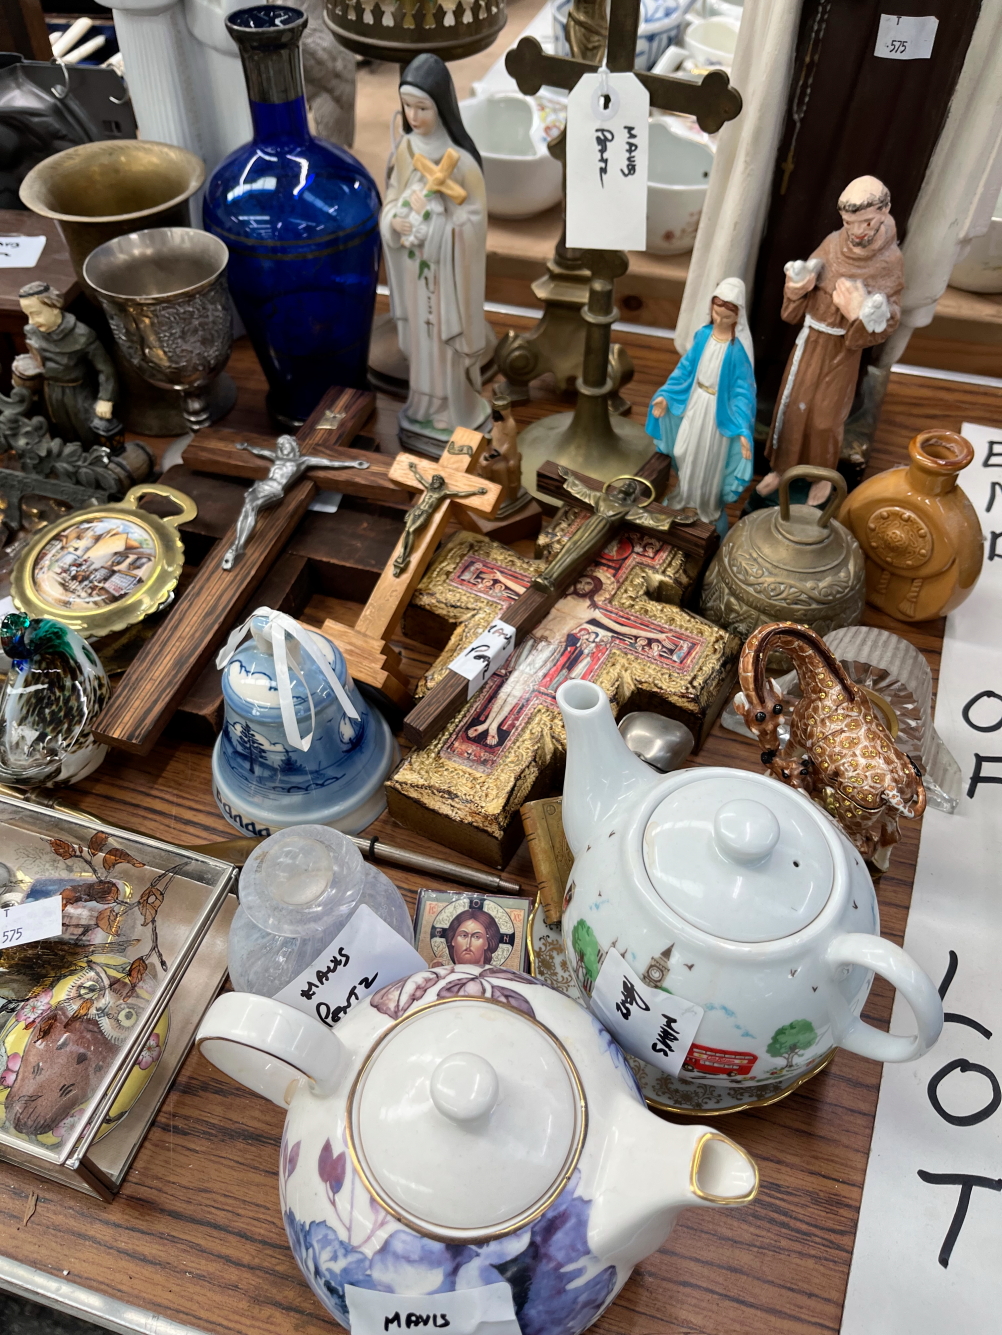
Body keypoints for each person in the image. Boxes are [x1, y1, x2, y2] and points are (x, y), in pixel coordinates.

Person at [758, 175, 904, 506]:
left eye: (865, 222)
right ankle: (782, 470)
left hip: (842, 350)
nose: (856, 231)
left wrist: (860, 312)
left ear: (885, 212)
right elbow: (803, 289)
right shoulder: (832, 243)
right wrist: (797, 287)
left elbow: (890, 316)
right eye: (849, 222)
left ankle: (820, 477)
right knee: (792, 409)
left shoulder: (890, 261)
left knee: (825, 420)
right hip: (810, 342)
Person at [380, 54, 490, 456]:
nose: (413, 115)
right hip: (414, 264)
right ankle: (425, 404)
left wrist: (444, 225)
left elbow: (475, 219)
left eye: (422, 107)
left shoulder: (458, 160)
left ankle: (454, 407)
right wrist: (395, 223)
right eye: (407, 106)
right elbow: (392, 200)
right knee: (423, 338)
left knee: (446, 336)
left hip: (448, 271)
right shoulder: (407, 151)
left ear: (441, 105)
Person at [646, 277, 756, 536]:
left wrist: (741, 430)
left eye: (726, 316)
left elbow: (743, 392)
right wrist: (666, 396)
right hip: (696, 402)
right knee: (685, 450)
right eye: (716, 313)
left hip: (717, 416)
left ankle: (704, 507)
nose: (719, 319)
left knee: (708, 460)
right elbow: (685, 368)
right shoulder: (703, 336)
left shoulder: (736, 350)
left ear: (737, 317)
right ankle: (683, 498)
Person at [19, 282, 117, 449]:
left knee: (85, 430)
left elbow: (105, 369)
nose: (31, 321)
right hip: (50, 392)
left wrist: (106, 399)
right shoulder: (32, 331)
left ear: (54, 307)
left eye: (36, 314)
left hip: (77, 393)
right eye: (27, 315)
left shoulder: (81, 335)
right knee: (58, 430)